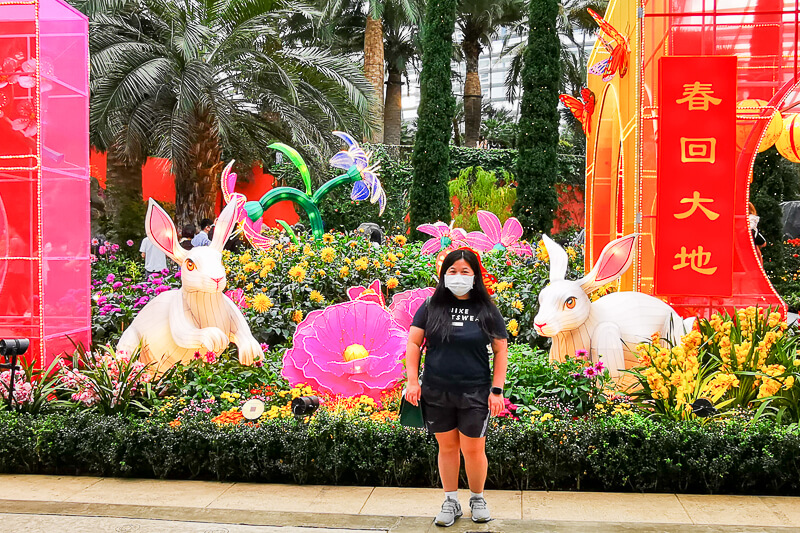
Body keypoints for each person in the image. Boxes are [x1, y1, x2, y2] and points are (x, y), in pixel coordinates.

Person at [404, 248, 508, 527]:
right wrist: (413, 381)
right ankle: (450, 501)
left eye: (465, 271)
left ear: (475, 275)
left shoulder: (486, 309)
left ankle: (477, 498)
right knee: (447, 447)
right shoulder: (430, 307)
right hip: (437, 390)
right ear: (443, 274)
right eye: (452, 271)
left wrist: (496, 391)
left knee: (474, 449)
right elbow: (414, 344)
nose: (458, 277)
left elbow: (500, 351)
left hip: (475, 391)